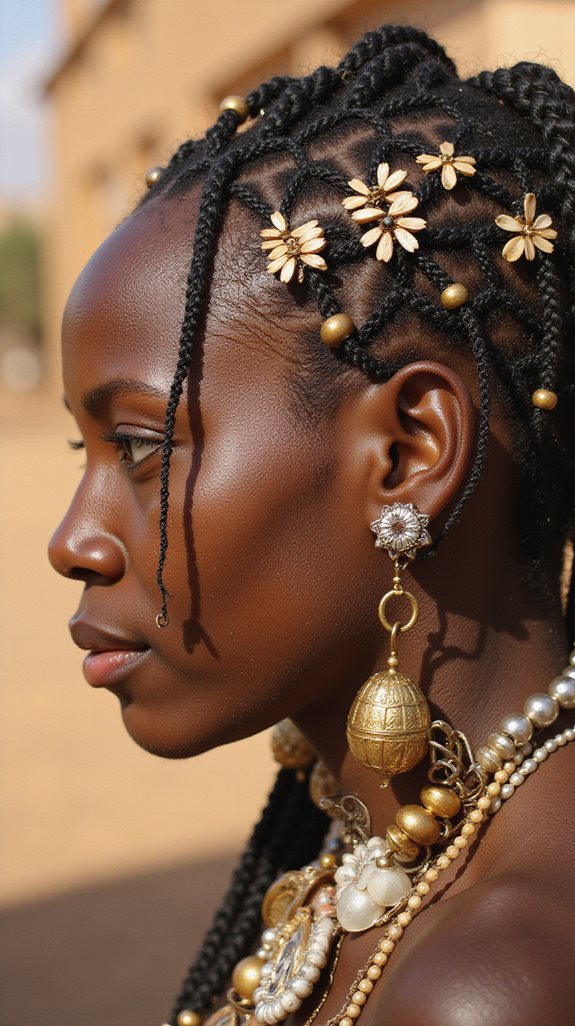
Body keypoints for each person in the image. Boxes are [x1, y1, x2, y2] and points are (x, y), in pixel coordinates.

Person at [48, 23, 575, 1026]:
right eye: (87, 456)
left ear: (406, 454)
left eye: (143, 447)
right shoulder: (382, 857)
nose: (73, 540)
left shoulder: (493, 988)